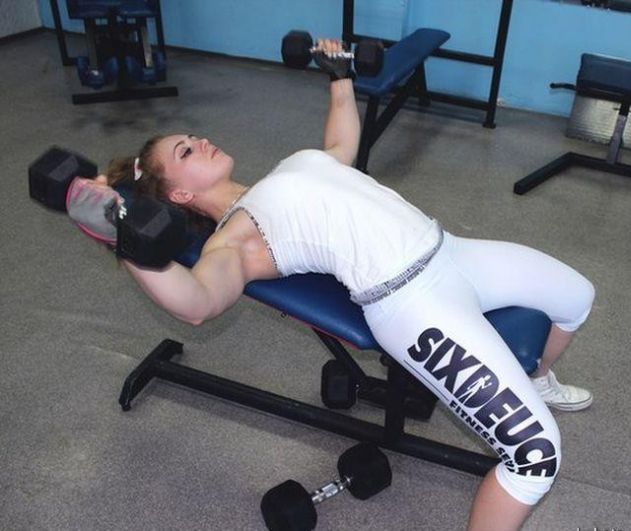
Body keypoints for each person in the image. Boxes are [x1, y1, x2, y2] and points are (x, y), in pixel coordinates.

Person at [75, 40, 595, 531]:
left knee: (576, 296)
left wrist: (340, 77)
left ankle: (536, 380)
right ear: (180, 194)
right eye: (186, 151)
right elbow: (198, 302)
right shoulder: (234, 239)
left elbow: (340, 147)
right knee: (535, 457)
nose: (201, 140)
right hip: (415, 304)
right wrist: (127, 243)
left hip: (452, 251)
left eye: (192, 137)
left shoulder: (285, 170)